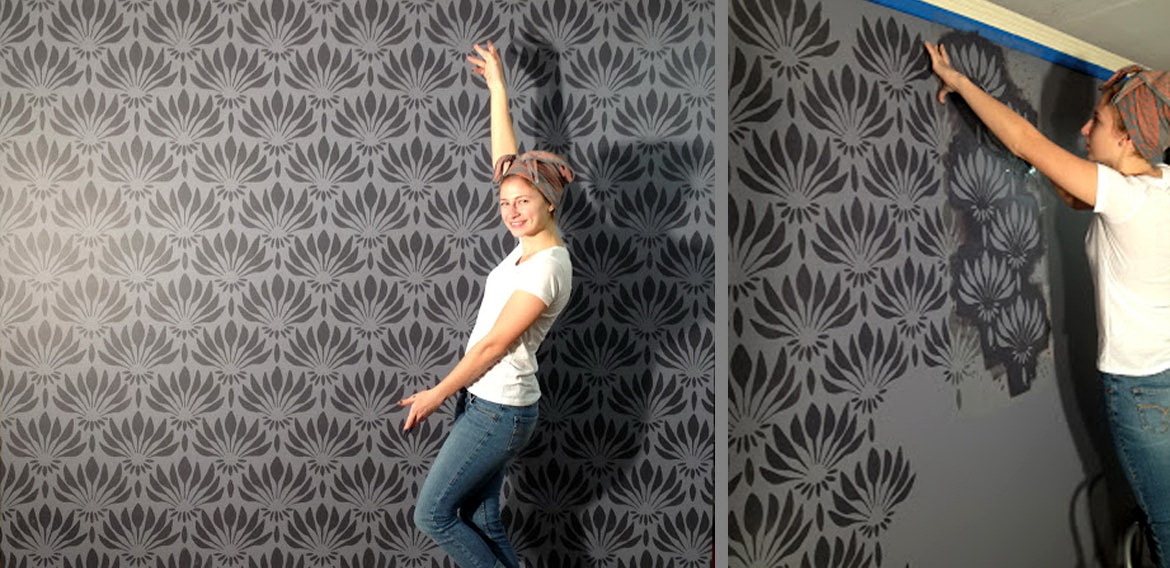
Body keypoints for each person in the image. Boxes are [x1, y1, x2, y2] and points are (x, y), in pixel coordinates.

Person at [926, 42, 1170, 565]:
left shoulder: (1124, 199)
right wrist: (1037, 170)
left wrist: (960, 81)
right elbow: (1076, 191)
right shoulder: (1162, 186)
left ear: (1127, 137)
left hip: (1141, 392)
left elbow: (1027, 141)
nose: (1084, 128)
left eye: (1096, 120)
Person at [399, 40, 574, 568]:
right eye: (505, 202)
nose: (512, 211)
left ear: (549, 201)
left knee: (433, 515)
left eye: (524, 201)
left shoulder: (547, 266)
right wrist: (499, 87)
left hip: (500, 408)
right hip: (485, 401)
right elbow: (507, 160)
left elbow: (495, 345)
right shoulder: (528, 246)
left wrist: (435, 395)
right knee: (483, 519)